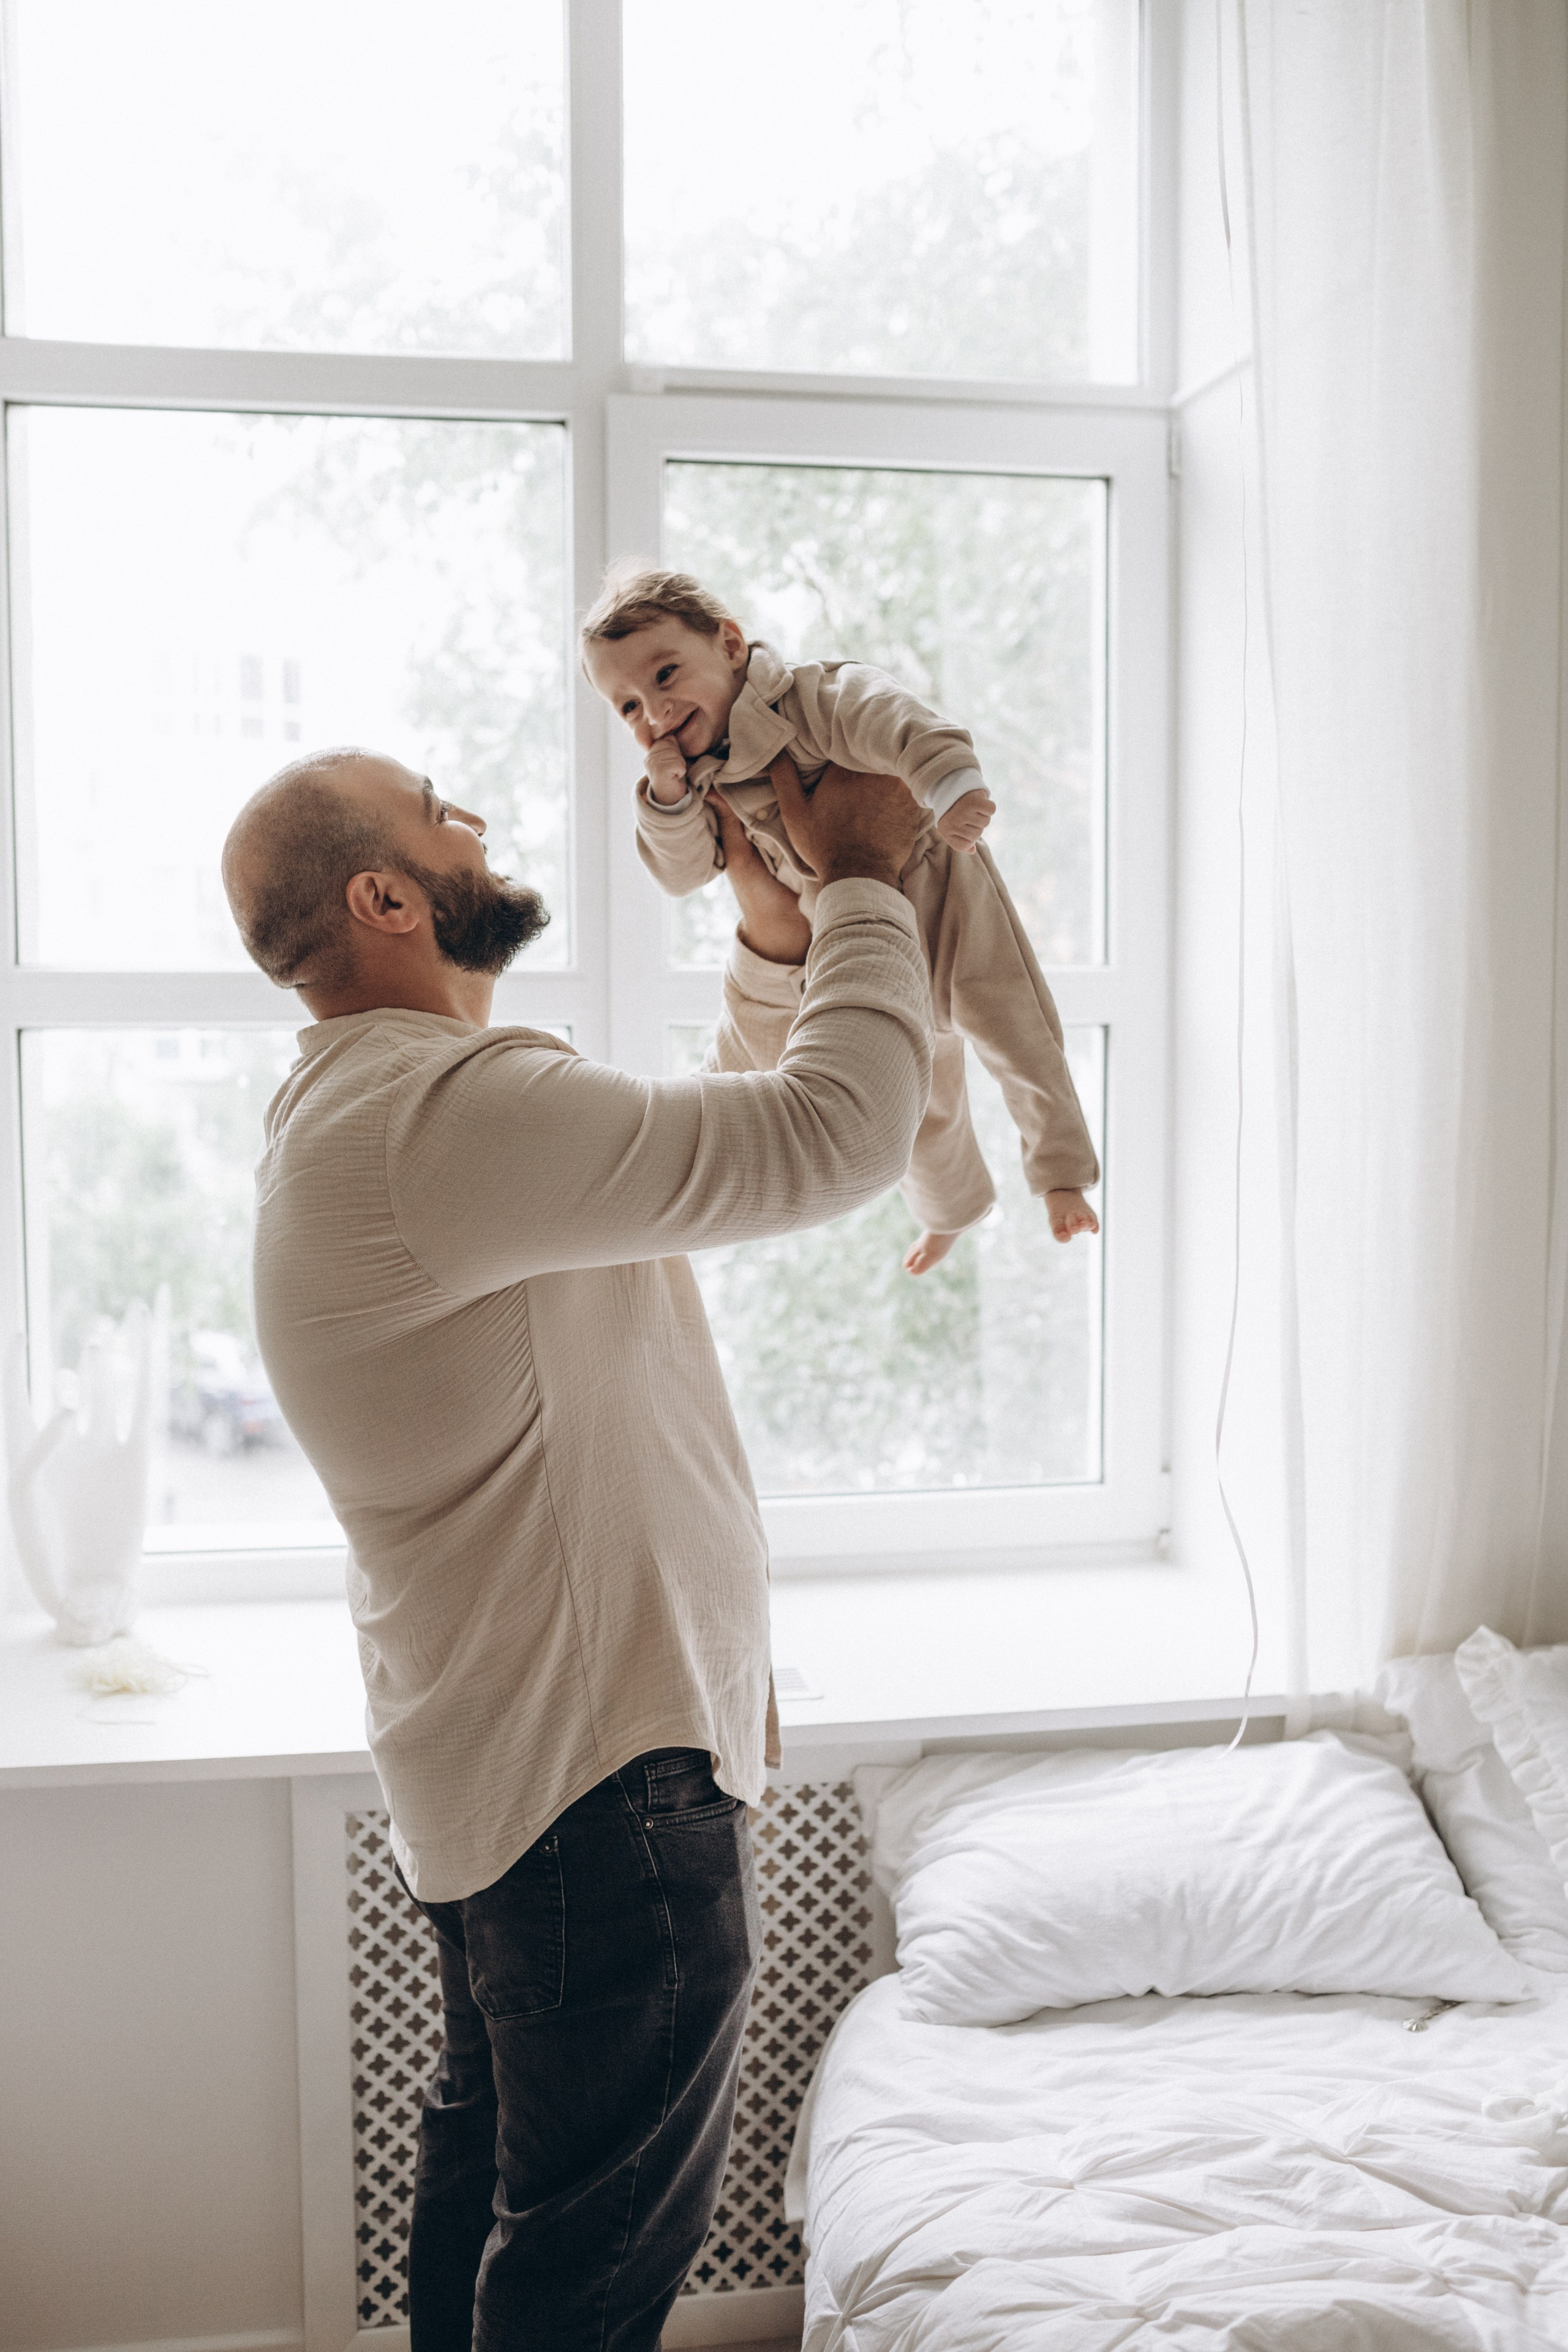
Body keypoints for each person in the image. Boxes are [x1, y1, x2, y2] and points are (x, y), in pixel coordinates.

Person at [220, 747, 931, 2352]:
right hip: (595, 1793)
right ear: (388, 897)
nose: (474, 815)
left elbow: (683, 1170)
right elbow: (834, 1136)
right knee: (591, 2273)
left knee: (512, 2198)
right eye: (436, 804)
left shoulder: (389, 1115)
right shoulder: (440, 1120)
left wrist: (770, 952)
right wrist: (875, 882)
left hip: (526, 1773)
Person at [581, 564, 1101, 1275]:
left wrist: (951, 784)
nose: (654, 714)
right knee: (919, 1102)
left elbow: (895, 720)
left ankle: (1061, 1171)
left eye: (666, 676)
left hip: (942, 900)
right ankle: (951, 1211)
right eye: (628, 707)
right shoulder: (696, 777)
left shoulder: (810, 698)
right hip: (858, 944)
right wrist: (666, 802)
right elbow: (683, 873)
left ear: (730, 645)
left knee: (1018, 1032)